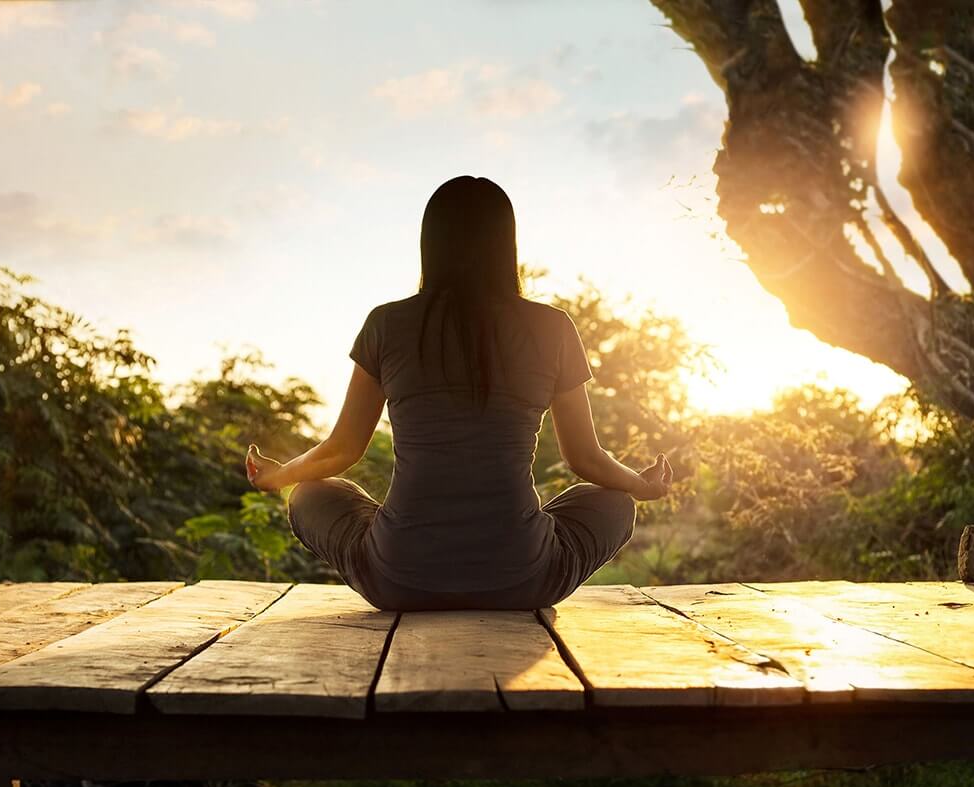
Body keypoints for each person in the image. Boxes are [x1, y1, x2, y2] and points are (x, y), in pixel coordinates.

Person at [245, 176, 673, 611]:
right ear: (507, 243)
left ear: (430, 243)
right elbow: (585, 458)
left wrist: (279, 477)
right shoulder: (553, 327)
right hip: (522, 579)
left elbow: (341, 450)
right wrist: (641, 485)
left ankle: (399, 541)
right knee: (615, 502)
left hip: (398, 579)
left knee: (309, 494)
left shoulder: (386, 324)